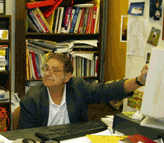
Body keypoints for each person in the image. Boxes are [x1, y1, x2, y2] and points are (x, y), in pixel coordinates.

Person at [18, 53, 148, 129]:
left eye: (54, 70)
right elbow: (26, 138)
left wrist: (138, 81)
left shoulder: (78, 87)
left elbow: (107, 90)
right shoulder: (31, 98)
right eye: (46, 69)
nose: (47, 74)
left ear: (67, 77)